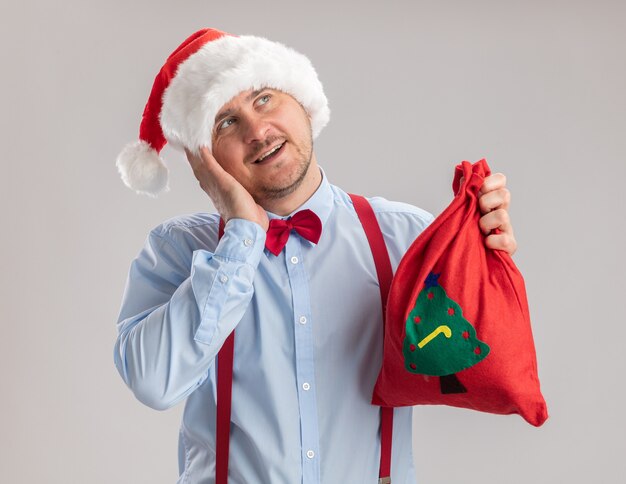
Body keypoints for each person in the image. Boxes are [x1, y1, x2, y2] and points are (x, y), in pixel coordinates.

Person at [114, 29, 516, 484]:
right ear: (202, 159)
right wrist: (241, 237)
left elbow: (485, 362)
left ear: (302, 100)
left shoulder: (403, 235)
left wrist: (486, 257)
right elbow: (153, 383)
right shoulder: (177, 250)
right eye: (225, 122)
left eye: (264, 99)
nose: (257, 131)